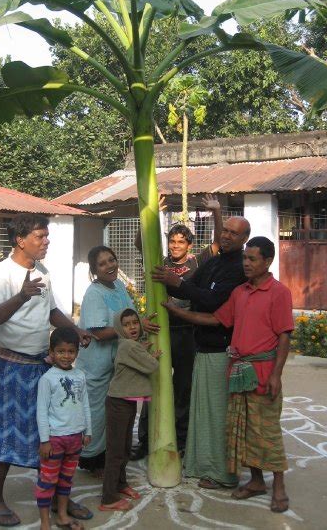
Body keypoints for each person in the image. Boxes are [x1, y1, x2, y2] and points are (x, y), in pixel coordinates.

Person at [163, 236, 293, 513]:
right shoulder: (240, 292)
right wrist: (176, 312)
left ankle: (279, 487)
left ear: (268, 261)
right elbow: (216, 319)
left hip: (263, 370)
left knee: (266, 431)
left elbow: (284, 336)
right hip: (238, 371)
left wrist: (276, 375)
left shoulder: (279, 292)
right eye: (245, 258)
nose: (246, 263)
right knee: (243, 429)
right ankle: (256, 481)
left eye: (252, 259)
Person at [0, 213, 93, 528]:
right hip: (8, 365)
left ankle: (60, 499)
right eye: (40, 236)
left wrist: (75, 329)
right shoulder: (2, 274)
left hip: (40, 364)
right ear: (20, 240)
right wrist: (20, 296)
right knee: (6, 429)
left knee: (54, 430)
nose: (46, 242)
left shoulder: (42, 271)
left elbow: (52, 310)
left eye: (46, 236)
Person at [152, 215, 250, 490]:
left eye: (234, 233)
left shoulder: (236, 269)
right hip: (203, 346)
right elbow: (195, 285)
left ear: (244, 240)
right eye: (225, 231)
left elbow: (212, 301)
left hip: (221, 349)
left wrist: (179, 287)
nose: (228, 236)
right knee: (203, 410)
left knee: (217, 413)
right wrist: (176, 284)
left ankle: (223, 473)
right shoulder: (216, 263)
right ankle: (205, 464)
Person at [132, 194, 223, 460]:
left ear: (189, 245)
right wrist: (149, 215)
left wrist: (216, 212)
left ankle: (180, 441)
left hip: (187, 335)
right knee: (154, 384)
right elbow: (140, 244)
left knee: (183, 389)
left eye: (180, 242)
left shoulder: (197, 263)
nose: (175, 246)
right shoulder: (159, 261)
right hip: (160, 333)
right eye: (172, 241)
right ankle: (146, 440)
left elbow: (218, 243)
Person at [76, 246, 135, 477]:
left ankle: (110, 457)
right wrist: (130, 329)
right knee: (97, 414)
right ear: (94, 270)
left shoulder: (119, 286)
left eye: (112, 259)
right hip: (96, 365)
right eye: (102, 264)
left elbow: (129, 315)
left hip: (116, 362)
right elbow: (98, 332)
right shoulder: (94, 293)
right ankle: (92, 460)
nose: (110, 266)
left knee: (113, 413)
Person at [99, 308, 161, 512]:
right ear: (119, 328)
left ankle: (121, 484)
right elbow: (151, 366)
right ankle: (108, 498)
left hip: (125, 401)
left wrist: (144, 352)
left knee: (124, 448)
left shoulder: (131, 346)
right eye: (126, 324)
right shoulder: (128, 347)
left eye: (135, 322)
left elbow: (140, 361)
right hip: (118, 403)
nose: (132, 327)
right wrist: (152, 356)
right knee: (116, 452)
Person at [36, 327, 92, 530]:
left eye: (70, 351)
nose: (66, 356)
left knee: (66, 480)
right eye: (60, 351)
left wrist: (88, 430)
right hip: (54, 440)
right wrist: (44, 441)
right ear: (51, 352)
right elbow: (41, 412)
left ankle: (62, 516)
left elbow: (85, 404)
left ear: (77, 352)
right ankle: (44, 523)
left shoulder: (80, 376)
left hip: (75, 438)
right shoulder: (47, 379)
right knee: (47, 480)